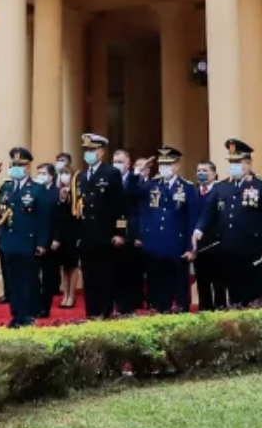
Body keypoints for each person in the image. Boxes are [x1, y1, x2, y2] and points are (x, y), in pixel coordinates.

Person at [193, 139, 262, 305]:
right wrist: (199, 229)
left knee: (255, 296)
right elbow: (209, 211)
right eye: (231, 162)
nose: (234, 166)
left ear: (249, 163)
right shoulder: (222, 187)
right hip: (229, 249)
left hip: (253, 250)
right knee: (234, 294)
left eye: (238, 162)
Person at [0, 147, 53, 327]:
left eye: (20, 165)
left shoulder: (37, 189)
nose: (16, 168)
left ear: (27, 167)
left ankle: (29, 315)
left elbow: (44, 219)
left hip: (29, 242)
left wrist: (43, 243)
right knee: (13, 281)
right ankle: (16, 314)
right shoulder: (6, 187)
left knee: (29, 281)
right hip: (9, 241)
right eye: (13, 165)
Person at [75, 132, 126, 318]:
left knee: (105, 275)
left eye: (92, 150)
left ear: (101, 152)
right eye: (86, 150)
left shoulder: (111, 173)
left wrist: (120, 232)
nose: (88, 153)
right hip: (87, 235)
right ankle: (92, 312)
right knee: (89, 276)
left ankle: (104, 312)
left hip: (105, 234)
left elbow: (120, 205)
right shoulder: (80, 176)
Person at [138, 146, 195, 312]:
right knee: (157, 285)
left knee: (180, 287)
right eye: (161, 164)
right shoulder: (152, 185)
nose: (164, 167)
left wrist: (191, 248)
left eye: (168, 164)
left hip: (176, 245)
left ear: (176, 165)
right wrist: (140, 171)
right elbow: (132, 190)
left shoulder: (187, 187)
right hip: (155, 244)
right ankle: (159, 310)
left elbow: (191, 219)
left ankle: (181, 313)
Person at [112, 147, 146, 314]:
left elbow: (139, 207)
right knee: (116, 271)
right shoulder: (111, 179)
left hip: (132, 232)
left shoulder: (136, 180)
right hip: (115, 232)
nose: (117, 165)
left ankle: (130, 306)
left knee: (131, 271)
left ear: (128, 164)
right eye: (115, 162)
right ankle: (118, 304)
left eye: (120, 162)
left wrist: (138, 234)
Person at [190, 159, 223, 310]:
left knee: (219, 286)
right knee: (202, 286)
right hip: (199, 247)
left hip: (217, 246)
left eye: (205, 171)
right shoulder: (193, 192)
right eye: (199, 171)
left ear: (214, 174)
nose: (201, 174)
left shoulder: (221, 191)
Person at [34, 162, 64, 317]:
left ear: (51, 176)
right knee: (34, 275)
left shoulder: (57, 193)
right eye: (38, 172)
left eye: (43, 173)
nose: (40, 176)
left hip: (51, 240)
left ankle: (45, 307)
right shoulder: (34, 191)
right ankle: (35, 304)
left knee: (47, 276)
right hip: (34, 238)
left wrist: (56, 238)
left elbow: (59, 219)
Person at [52, 153, 80, 309]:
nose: (64, 176)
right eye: (62, 173)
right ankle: (65, 294)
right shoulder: (58, 191)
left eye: (67, 174)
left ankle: (72, 295)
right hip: (60, 232)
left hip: (73, 232)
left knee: (73, 264)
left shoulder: (76, 191)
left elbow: (75, 212)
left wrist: (67, 198)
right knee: (63, 265)